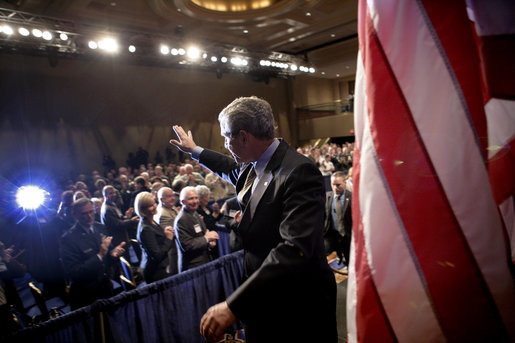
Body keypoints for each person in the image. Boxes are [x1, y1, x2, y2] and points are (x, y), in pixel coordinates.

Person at [170, 96, 337, 342]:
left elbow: (294, 249)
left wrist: (234, 305)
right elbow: (229, 167)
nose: (226, 145)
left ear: (245, 137)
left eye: (227, 138)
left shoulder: (299, 172)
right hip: (266, 298)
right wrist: (194, 151)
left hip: (296, 306)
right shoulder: (253, 164)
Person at [60, 198, 126, 310]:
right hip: (86, 296)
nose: (89, 216)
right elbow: (75, 273)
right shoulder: (68, 239)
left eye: (91, 212)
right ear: (75, 215)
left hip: (105, 287)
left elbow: (106, 257)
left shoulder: (99, 227)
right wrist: (100, 255)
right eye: (84, 214)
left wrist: (113, 254)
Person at [174, 187, 219, 272]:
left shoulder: (195, 213)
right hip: (193, 267)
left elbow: (203, 233)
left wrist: (209, 243)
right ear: (182, 202)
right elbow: (187, 245)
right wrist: (207, 239)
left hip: (204, 261)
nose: (195, 201)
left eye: (196, 198)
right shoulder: (181, 219)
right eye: (191, 199)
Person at [135, 192, 177, 283]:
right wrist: (168, 238)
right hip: (155, 272)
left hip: (160, 268)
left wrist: (164, 231)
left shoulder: (151, 220)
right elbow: (157, 256)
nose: (154, 206)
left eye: (154, 203)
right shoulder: (146, 228)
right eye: (150, 205)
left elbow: (157, 237)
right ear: (142, 210)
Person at [101, 185, 138, 262]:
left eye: (114, 192)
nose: (114, 195)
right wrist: (131, 221)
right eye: (110, 193)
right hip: (117, 240)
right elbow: (118, 224)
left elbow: (119, 218)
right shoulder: (107, 209)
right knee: (124, 261)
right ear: (105, 195)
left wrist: (127, 217)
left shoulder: (112, 204)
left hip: (121, 238)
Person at [323, 171, 353, 267]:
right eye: (333, 185)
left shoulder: (352, 197)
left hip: (347, 233)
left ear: (345, 183)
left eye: (338, 185)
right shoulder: (328, 196)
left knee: (348, 254)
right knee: (337, 248)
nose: (335, 188)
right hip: (333, 232)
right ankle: (339, 256)